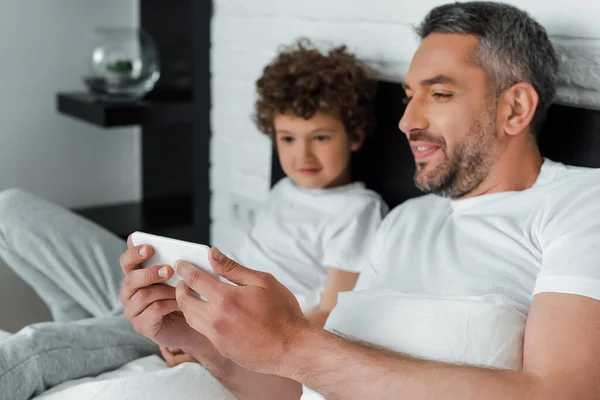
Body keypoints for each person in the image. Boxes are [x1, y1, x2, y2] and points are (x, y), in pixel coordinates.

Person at [120, 2, 600, 399]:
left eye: (439, 93)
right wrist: (200, 342)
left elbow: (561, 393)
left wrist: (293, 341)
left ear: (514, 108)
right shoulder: (403, 223)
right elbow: (299, 388)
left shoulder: (580, 204)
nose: (407, 120)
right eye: (410, 96)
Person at [0, 39, 385, 398]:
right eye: (287, 139)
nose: (303, 156)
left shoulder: (357, 210)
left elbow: (329, 316)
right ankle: (86, 327)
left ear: (355, 135)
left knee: (34, 348)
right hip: (183, 288)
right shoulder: (286, 189)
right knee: (10, 210)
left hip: (208, 318)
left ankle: (81, 335)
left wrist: (211, 345)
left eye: (320, 138)